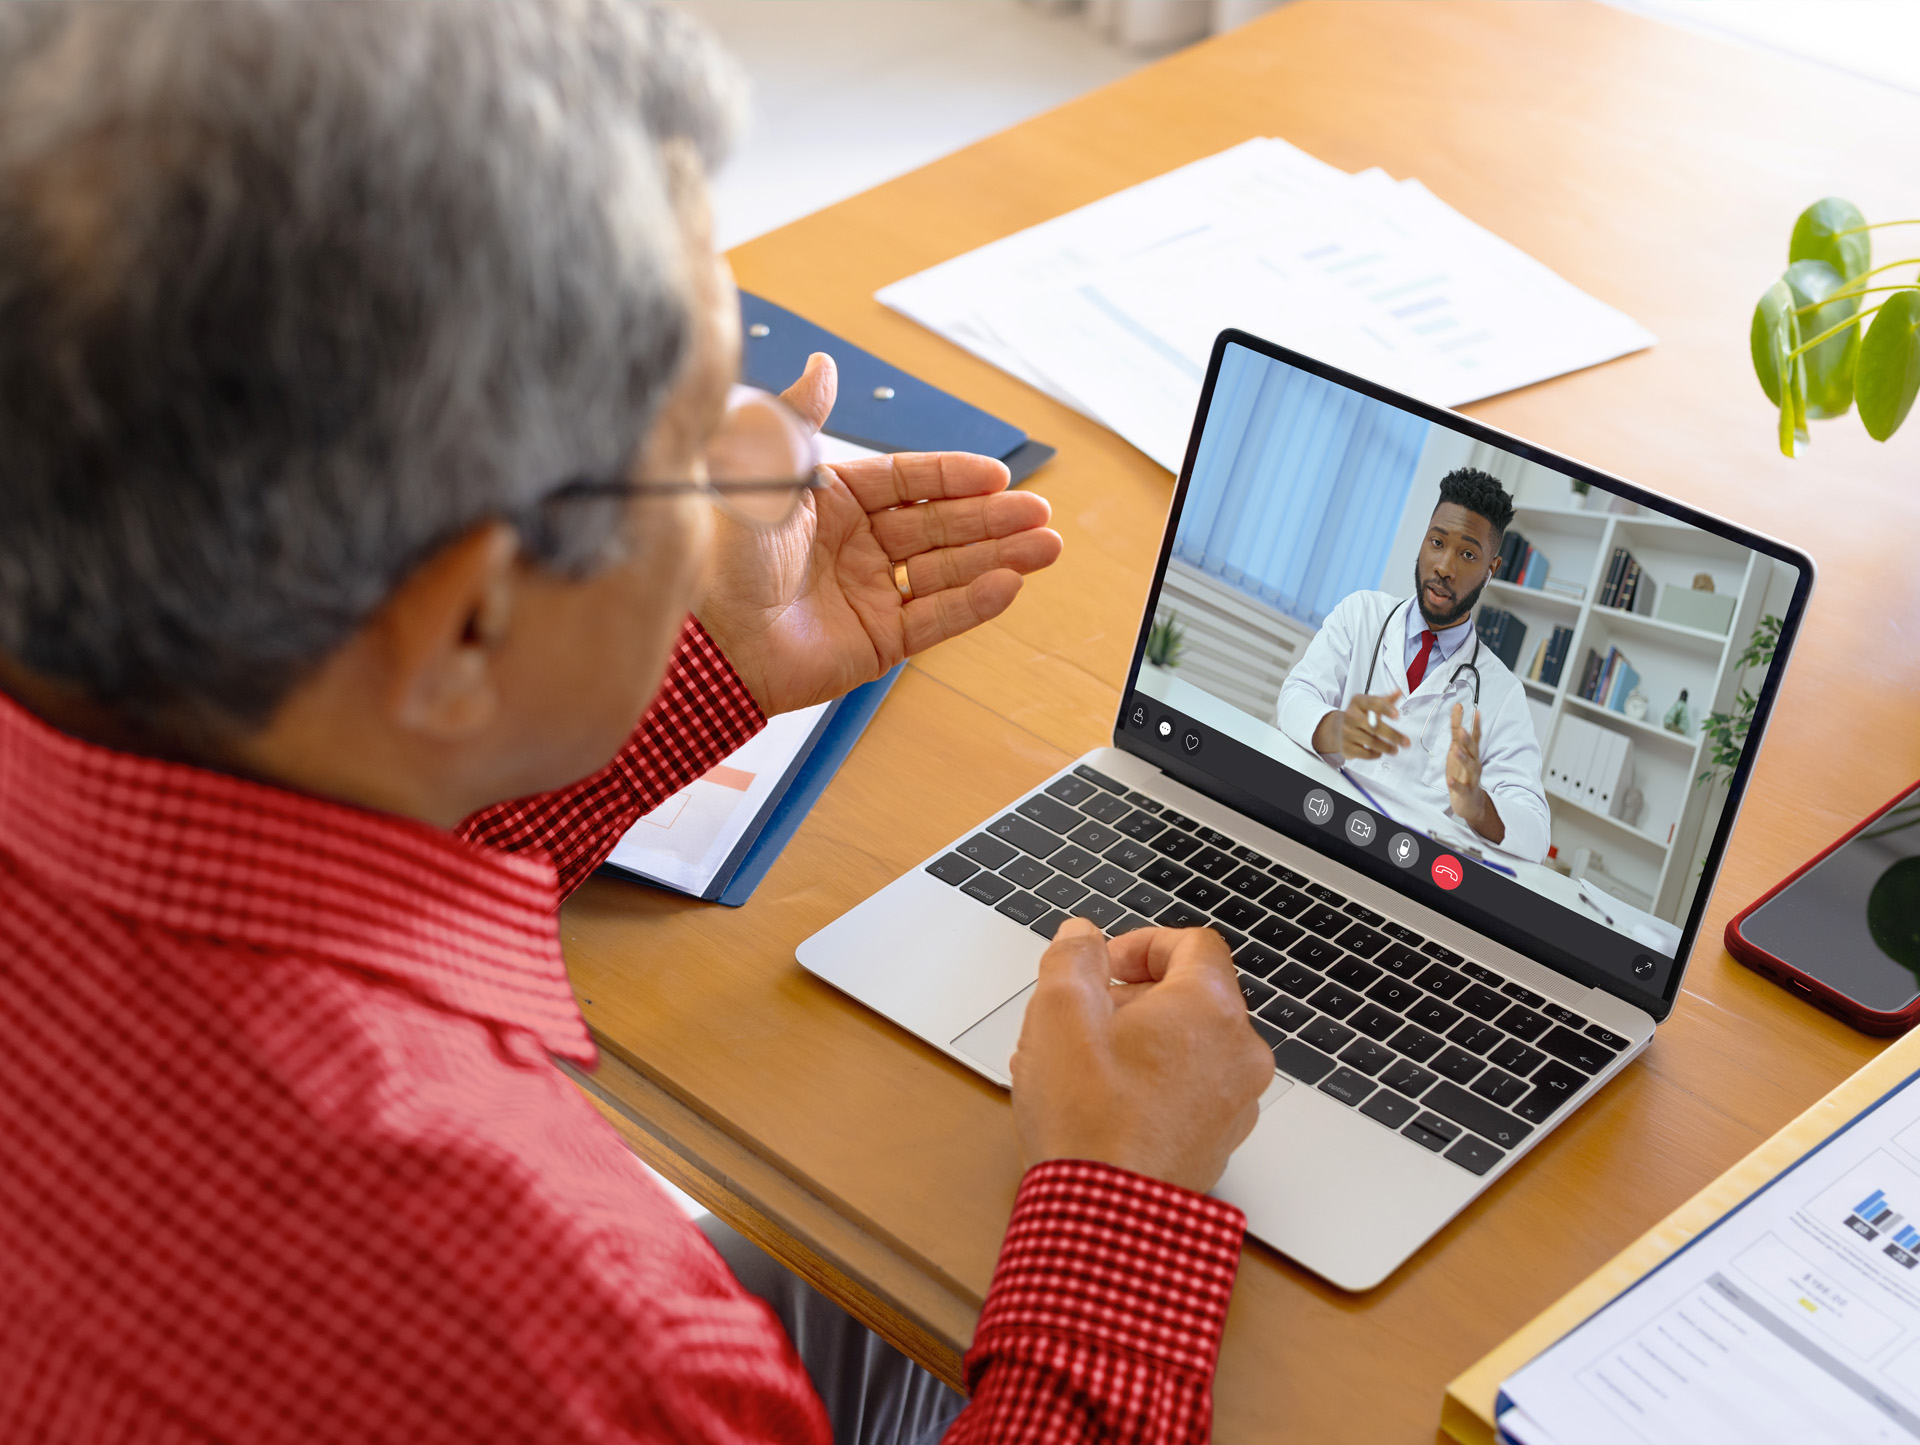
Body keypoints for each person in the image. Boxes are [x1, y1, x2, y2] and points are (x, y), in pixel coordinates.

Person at [0, 4, 1275, 1442]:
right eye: (684, 439)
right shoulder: (586, 1352)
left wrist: (675, 678)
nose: (777, 448)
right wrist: (1123, 1212)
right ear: (470, 622)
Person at [1274, 468, 1550, 862]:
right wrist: (1334, 728)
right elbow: (1295, 695)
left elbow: (1536, 832)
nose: (1444, 566)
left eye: (1468, 554)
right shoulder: (1361, 614)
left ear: (1492, 570)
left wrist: (1477, 805)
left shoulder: (1502, 693)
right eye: (1437, 542)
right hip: (1315, 828)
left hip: (1402, 870)